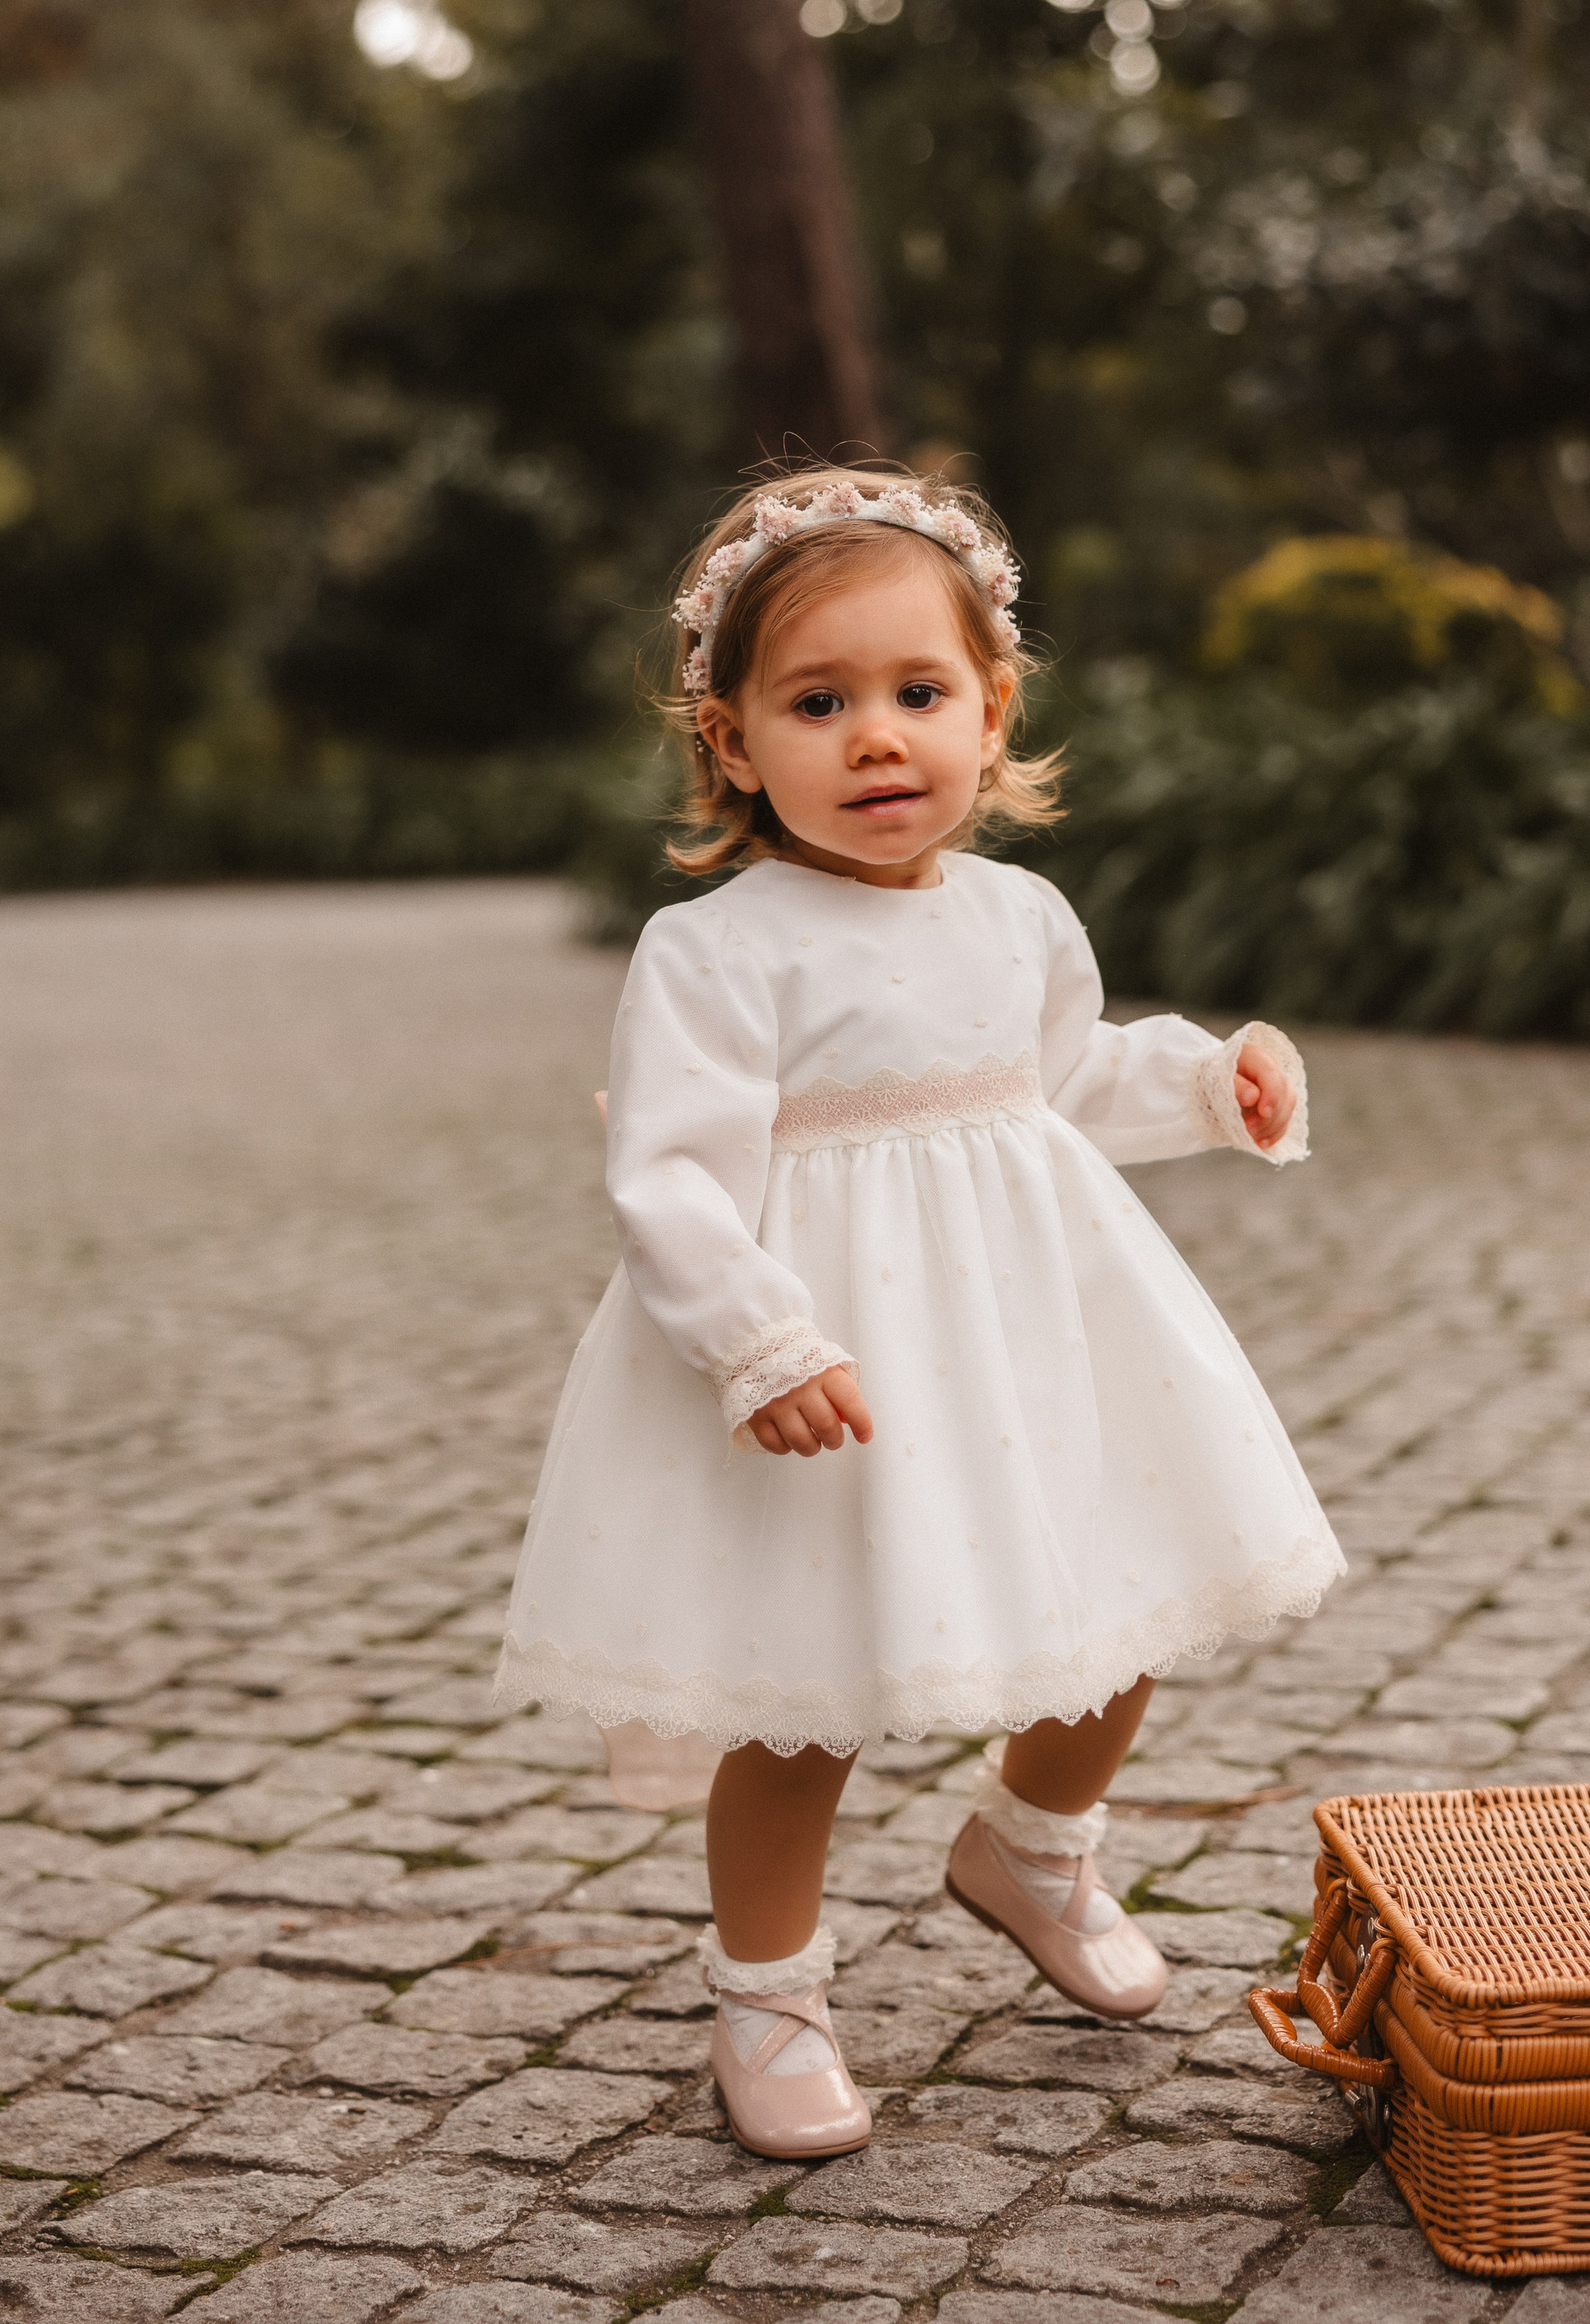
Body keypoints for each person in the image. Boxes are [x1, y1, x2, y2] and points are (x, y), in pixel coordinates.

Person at [495, 464, 1344, 2159]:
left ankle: (1028, 1849)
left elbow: (1062, 1081)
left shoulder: (1018, 916)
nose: (875, 738)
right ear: (733, 741)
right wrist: (759, 1341)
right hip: (837, 1367)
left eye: (915, 694)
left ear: (988, 707)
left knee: (1122, 1617)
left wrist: (1205, 1082)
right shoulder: (715, 953)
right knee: (801, 1697)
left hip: (1031, 1342)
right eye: (818, 703)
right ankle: (769, 2003)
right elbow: (666, 1179)